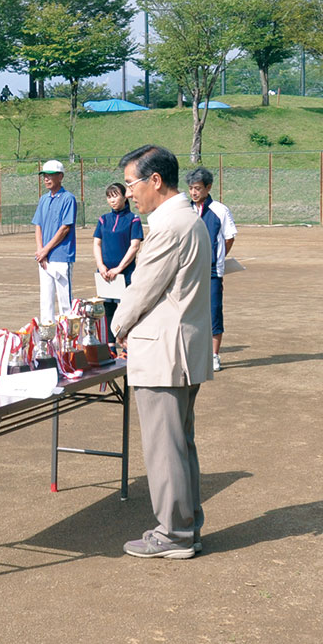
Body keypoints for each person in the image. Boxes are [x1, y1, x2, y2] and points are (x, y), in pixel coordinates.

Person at [111, 145, 213, 559]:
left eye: (132, 183)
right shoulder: (188, 219)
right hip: (181, 348)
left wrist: (114, 329)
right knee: (179, 444)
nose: (129, 192)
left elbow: (142, 291)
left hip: (162, 352)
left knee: (164, 446)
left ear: (155, 180)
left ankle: (173, 534)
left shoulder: (169, 226)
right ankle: (185, 527)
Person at [186, 168, 237, 372]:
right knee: (189, 312)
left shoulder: (219, 210)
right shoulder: (186, 210)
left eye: (198, 188)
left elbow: (229, 237)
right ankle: (193, 352)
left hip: (212, 272)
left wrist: (217, 258)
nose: (194, 193)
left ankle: (214, 355)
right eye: (191, 188)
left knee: (214, 311)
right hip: (189, 272)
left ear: (208, 187)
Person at [91, 182, 143, 346]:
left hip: (125, 274)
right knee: (107, 310)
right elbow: (97, 243)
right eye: (109, 197)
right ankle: (110, 345)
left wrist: (119, 269)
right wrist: (101, 265)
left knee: (126, 310)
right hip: (105, 274)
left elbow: (134, 246)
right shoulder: (103, 219)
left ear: (124, 196)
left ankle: (127, 345)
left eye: (115, 196)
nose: (112, 200)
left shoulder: (133, 219)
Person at [31, 159, 77, 325]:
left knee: (66, 303)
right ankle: (48, 341)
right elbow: (38, 225)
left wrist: (45, 250)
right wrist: (40, 251)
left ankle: (69, 343)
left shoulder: (68, 198)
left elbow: (65, 229)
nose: (46, 179)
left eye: (50, 175)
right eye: (44, 175)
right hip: (44, 259)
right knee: (46, 301)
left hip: (61, 257)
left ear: (60, 176)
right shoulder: (43, 199)